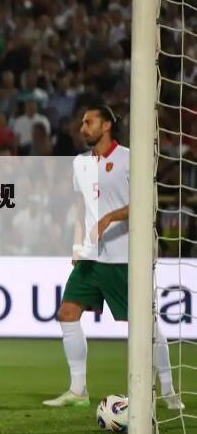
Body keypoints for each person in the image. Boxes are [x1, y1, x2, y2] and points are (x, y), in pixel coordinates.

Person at [42, 106, 183, 410]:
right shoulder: (80, 163)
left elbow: (145, 201)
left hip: (124, 256)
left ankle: (168, 390)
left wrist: (109, 218)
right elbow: (81, 206)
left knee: (144, 323)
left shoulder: (130, 159)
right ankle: (78, 390)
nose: (83, 127)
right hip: (91, 257)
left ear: (106, 125)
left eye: (89, 122)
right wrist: (77, 244)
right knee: (67, 313)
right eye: (81, 122)